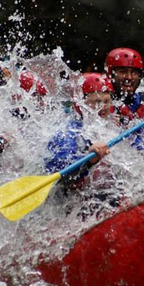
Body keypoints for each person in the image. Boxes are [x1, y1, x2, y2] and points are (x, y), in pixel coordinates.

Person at [44, 72, 121, 218]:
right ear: (79, 104)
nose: (103, 108)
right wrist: (88, 160)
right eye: (97, 102)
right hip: (72, 206)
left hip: (104, 197)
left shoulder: (111, 128)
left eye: (106, 101)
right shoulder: (67, 133)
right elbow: (60, 172)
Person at [104, 47, 144, 125]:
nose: (129, 77)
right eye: (122, 72)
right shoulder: (100, 106)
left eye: (134, 72)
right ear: (110, 75)